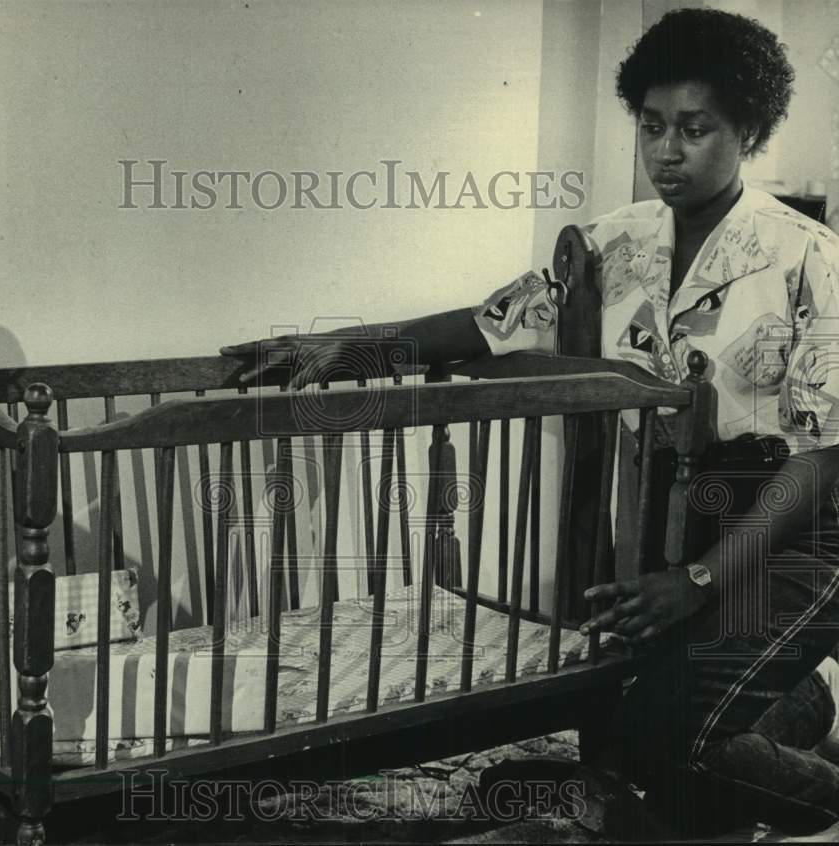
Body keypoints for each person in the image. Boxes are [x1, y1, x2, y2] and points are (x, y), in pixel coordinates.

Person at [222, 8, 839, 838]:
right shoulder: (611, 245)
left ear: (748, 128)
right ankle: (792, 709)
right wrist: (344, 348)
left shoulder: (811, 259)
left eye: (694, 130)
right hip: (670, 534)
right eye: (652, 126)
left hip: (792, 540)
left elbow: (817, 465)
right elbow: (484, 325)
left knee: (655, 739)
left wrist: (697, 584)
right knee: (623, 730)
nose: (666, 150)